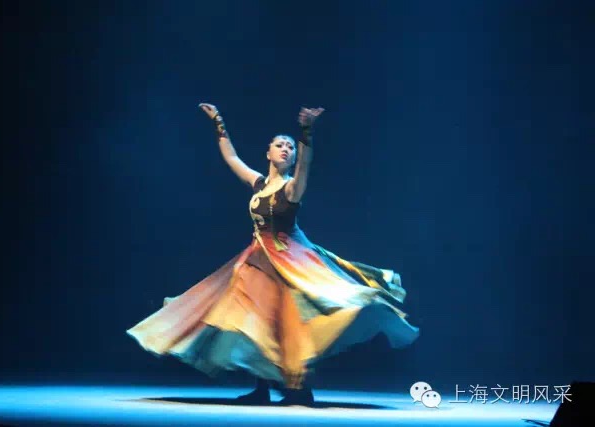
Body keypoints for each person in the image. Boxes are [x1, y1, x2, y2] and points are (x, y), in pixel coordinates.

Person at [126, 103, 420, 406]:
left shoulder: (292, 189)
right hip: (257, 260)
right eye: (280, 145)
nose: (285, 149)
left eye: (290, 147)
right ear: (268, 153)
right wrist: (218, 122)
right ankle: (262, 387)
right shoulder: (259, 183)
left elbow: (305, 168)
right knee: (257, 321)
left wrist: (306, 134)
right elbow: (231, 158)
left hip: (289, 261)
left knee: (288, 321)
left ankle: (299, 386)